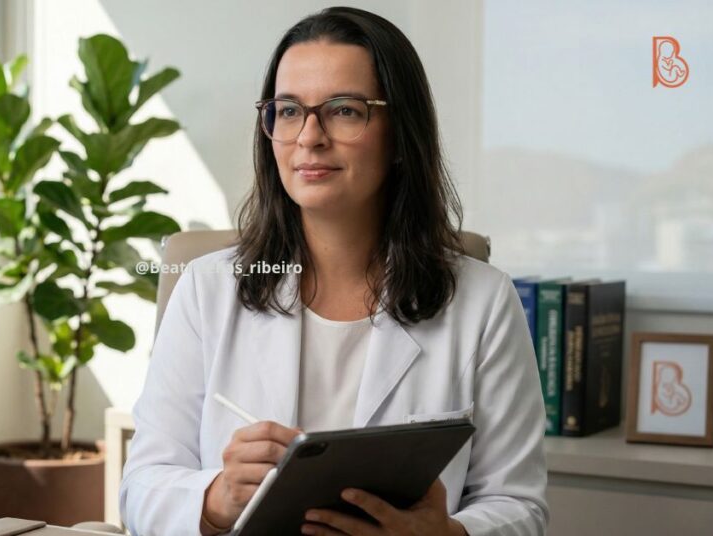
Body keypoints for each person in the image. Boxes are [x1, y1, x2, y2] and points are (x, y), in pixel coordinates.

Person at [119, 6, 548, 536]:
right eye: (289, 110)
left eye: (344, 110)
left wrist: (447, 535)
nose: (309, 137)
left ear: (399, 133)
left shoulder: (484, 302)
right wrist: (214, 500)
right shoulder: (207, 290)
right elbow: (141, 488)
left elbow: (519, 506)